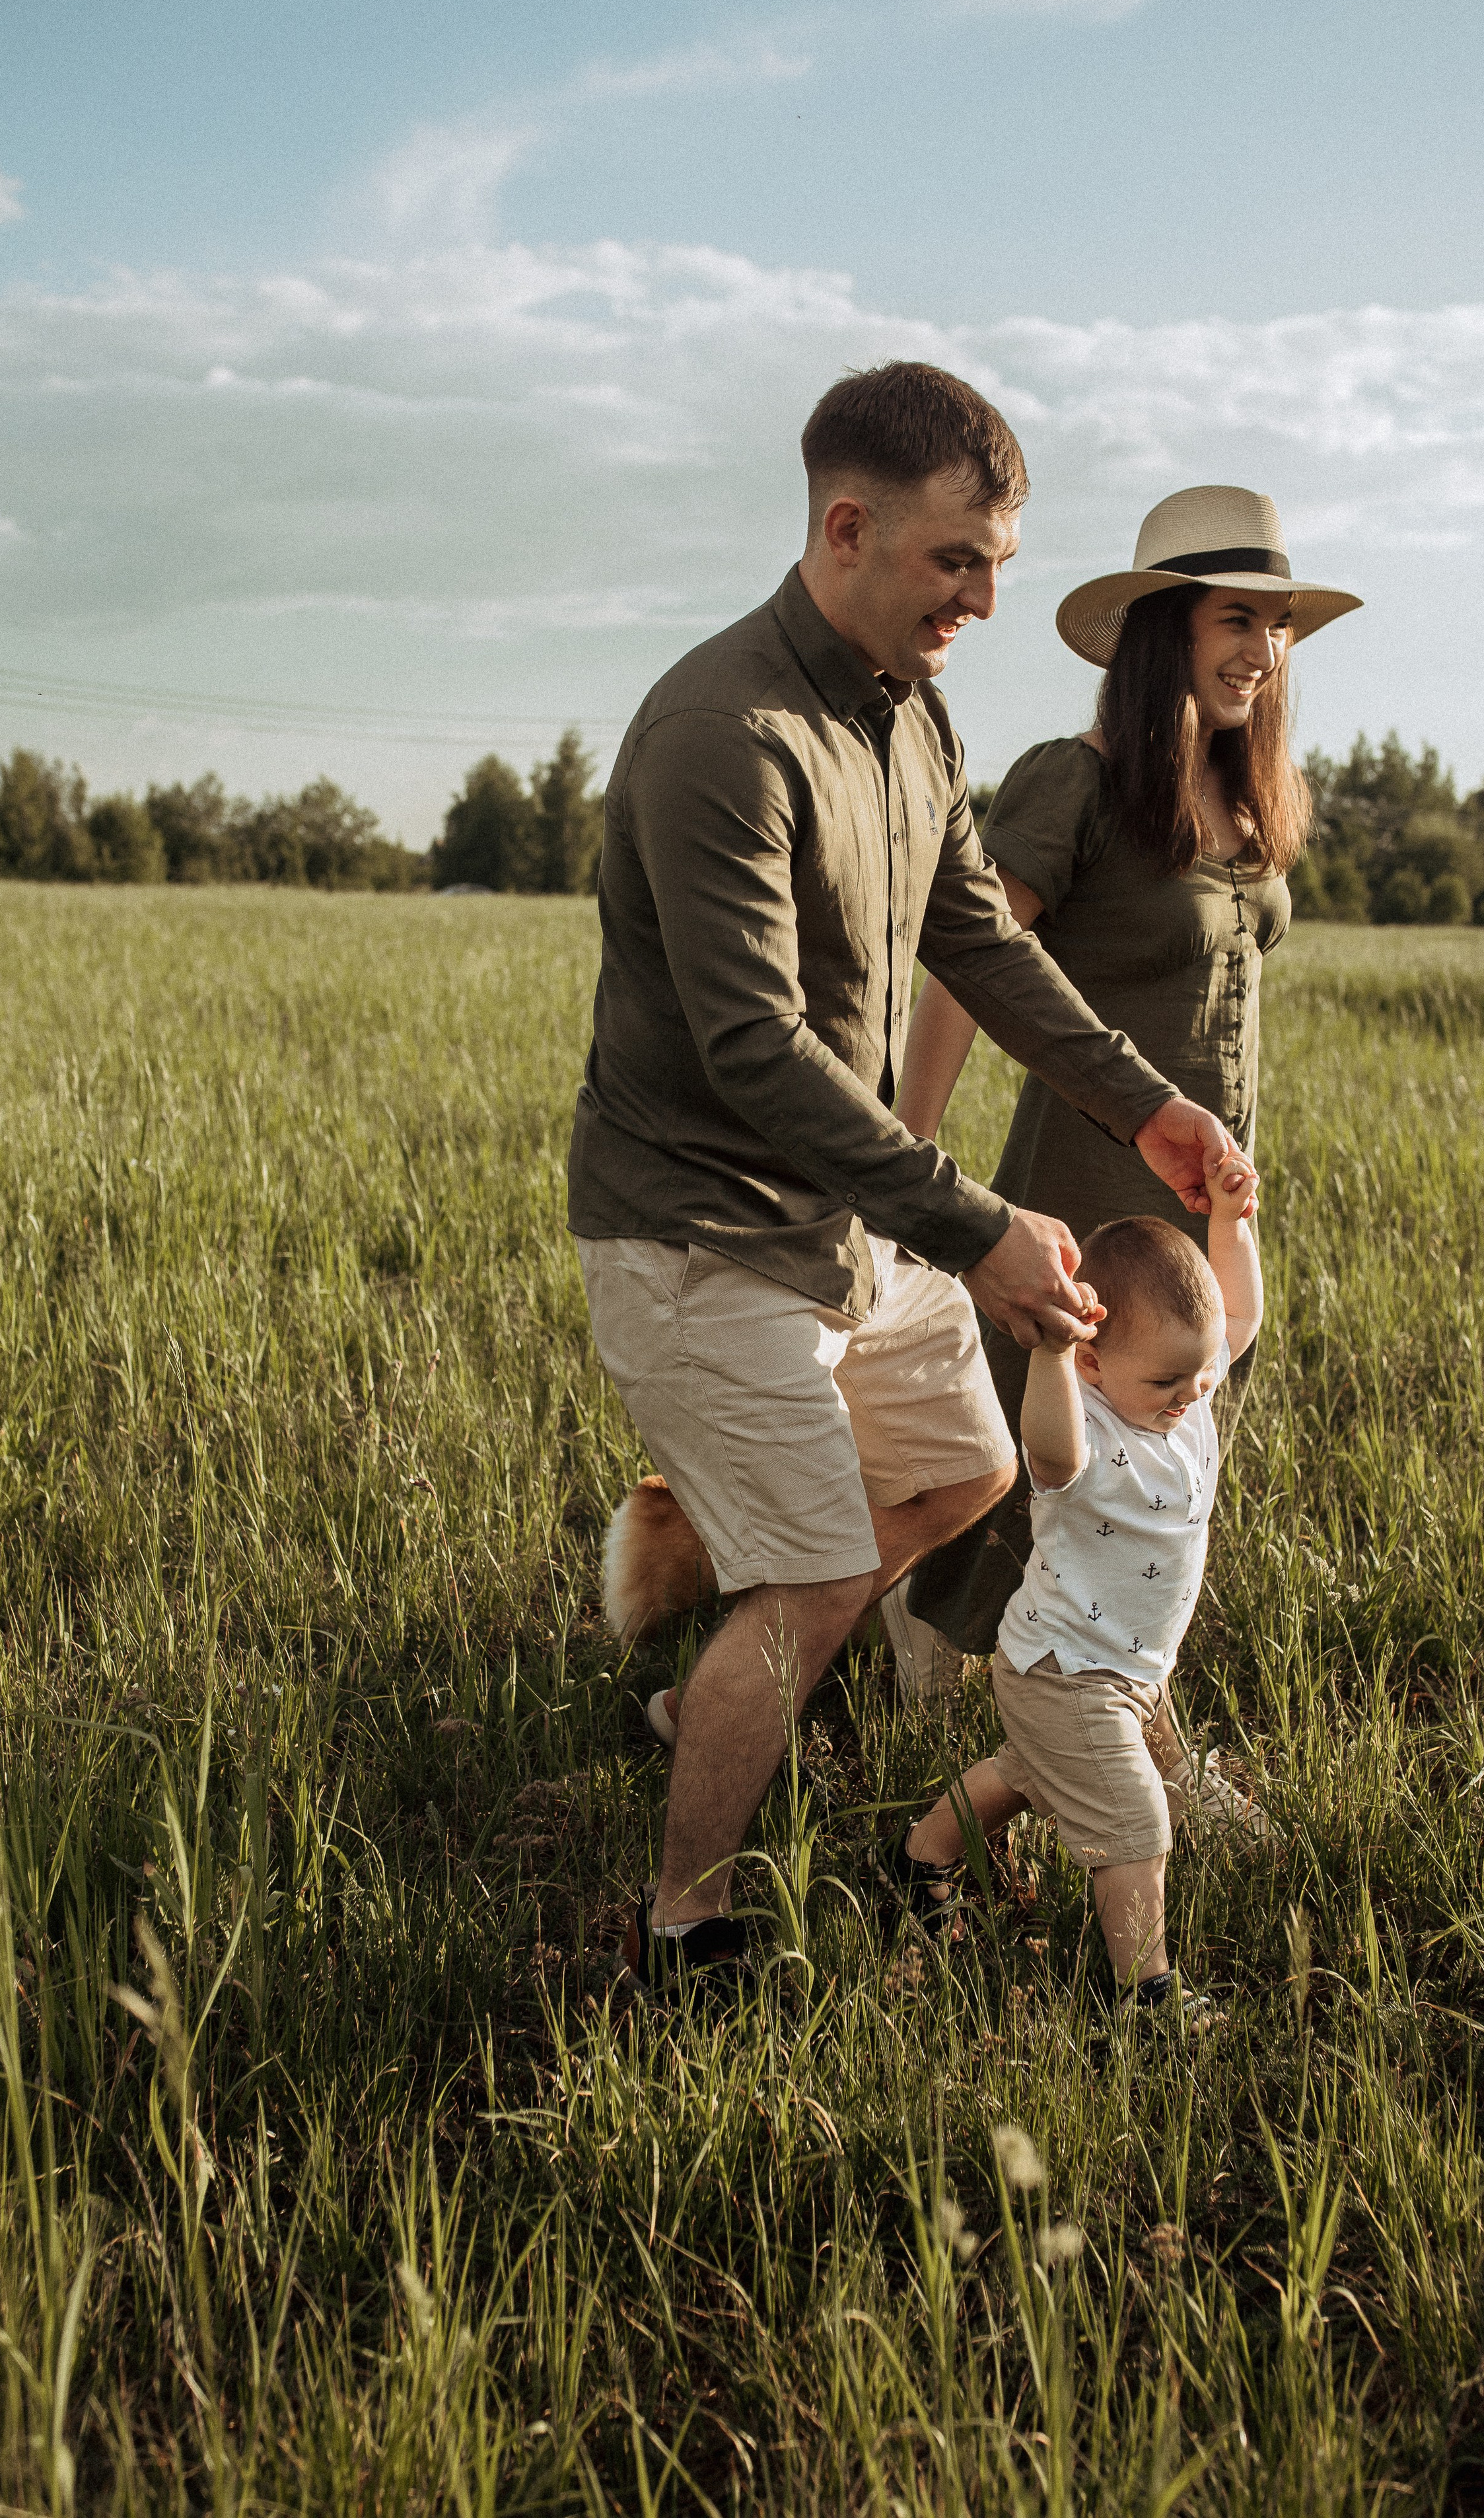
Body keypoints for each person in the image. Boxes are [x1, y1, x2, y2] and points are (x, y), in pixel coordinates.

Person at [565, 361, 1238, 2007]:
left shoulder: (909, 718)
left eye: (996, 564)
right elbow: (753, 1052)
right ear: (847, 528)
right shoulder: (722, 737)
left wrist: (1142, 1105)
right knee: (807, 1580)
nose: (984, 602)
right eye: (956, 562)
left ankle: (719, 1693)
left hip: (839, 1223)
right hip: (697, 1233)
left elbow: (978, 942)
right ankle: (680, 1930)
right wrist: (977, 1223)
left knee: (965, 1464)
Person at [892, 484, 1361, 1678]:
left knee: (1167, 1461)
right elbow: (967, 970)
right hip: (1091, 1186)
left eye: (1277, 626)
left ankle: (1104, 1696)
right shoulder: (1079, 782)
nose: (1263, 651)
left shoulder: (1247, 799)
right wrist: (907, 1171)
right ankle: (933, 1680)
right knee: (1044, 1456)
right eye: (1236, 620)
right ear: (1167, 631)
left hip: (1210, 1197)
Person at [884, 1141, 1267, 2031]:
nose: (1191, 1394)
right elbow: (1050, 1454)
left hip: (1123, 1670)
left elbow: (1238, 1313)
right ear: (1094, 1362)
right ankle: (1145, 1998)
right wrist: (1052, 1356)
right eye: (1167, 1380)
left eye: (1200, 1373)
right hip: (1068, 1670)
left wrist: (1229, 1222)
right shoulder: (1086, 1422)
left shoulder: (1185, 1385)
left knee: (1032, 1772)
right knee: (1134, 1821)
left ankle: (920, 1858)